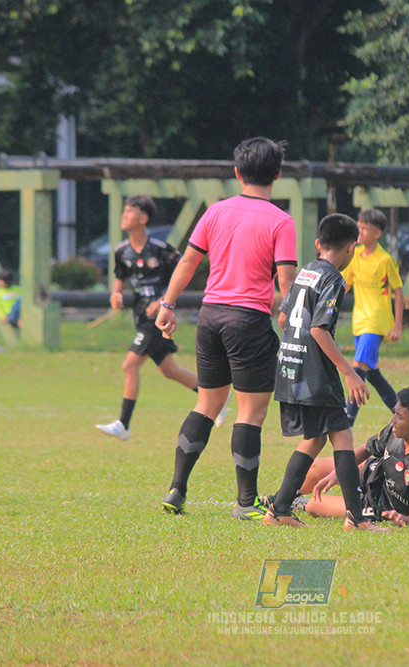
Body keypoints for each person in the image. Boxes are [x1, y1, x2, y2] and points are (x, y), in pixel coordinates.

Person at [155, 137, 298, 520]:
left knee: (206, 404)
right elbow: (287, 280)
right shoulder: (281, 221)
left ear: (237, 173)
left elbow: (188, 262)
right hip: (248, 322)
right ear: (278, 175)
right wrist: (291, 315)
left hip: (210, 317)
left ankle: (177, 488)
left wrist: (168, 304)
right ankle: (245, 503)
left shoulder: (215, 211)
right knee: (250, 412)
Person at [262, 213, 386, 532]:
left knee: (316, 438)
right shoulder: (333, 278)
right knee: (341, 435)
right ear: (351, 248)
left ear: (319, 244)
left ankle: (279, 509)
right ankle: (356, 518)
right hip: (316, 372)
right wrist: (349, 372)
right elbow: (319, 329)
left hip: (291, 366)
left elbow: (283, 318)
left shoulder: (306, 271)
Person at [95, 196, 226, 441]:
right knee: (169, 370)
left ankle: (123, 424)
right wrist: (116, 295)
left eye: (130, 211)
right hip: (141, 315)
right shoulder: (121, 251)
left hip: (157, 319)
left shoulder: (160, 249)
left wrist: (165, 299)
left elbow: (184, 270)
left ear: (143, 218)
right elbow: (120, 278)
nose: (124, 215)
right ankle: (217, 398)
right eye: (124, 211)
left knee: (129, 366)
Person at [286, 385, 409, 527]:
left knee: (314, 506)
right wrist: (338, 473)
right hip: (375, 472)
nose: (393, 420)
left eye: (400, 417)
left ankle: (299, 503)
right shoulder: (393, 431)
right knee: (316, 467)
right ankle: (282, 500)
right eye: (395, 413)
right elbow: (366, 449)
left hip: (378, 505)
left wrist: (401, 518)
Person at [341, 209, 404, 426]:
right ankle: (404, 414)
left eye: (365, 228)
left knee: (357, 368)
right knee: (372, 374)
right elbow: (344, 286)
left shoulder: (385, 260)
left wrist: (397, 326)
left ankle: (347, 423)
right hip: (359, 323)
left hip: (376, 323)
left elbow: (399, 292)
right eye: (359, 226)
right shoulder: (355, 256)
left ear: (377, 233)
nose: (360, 231)